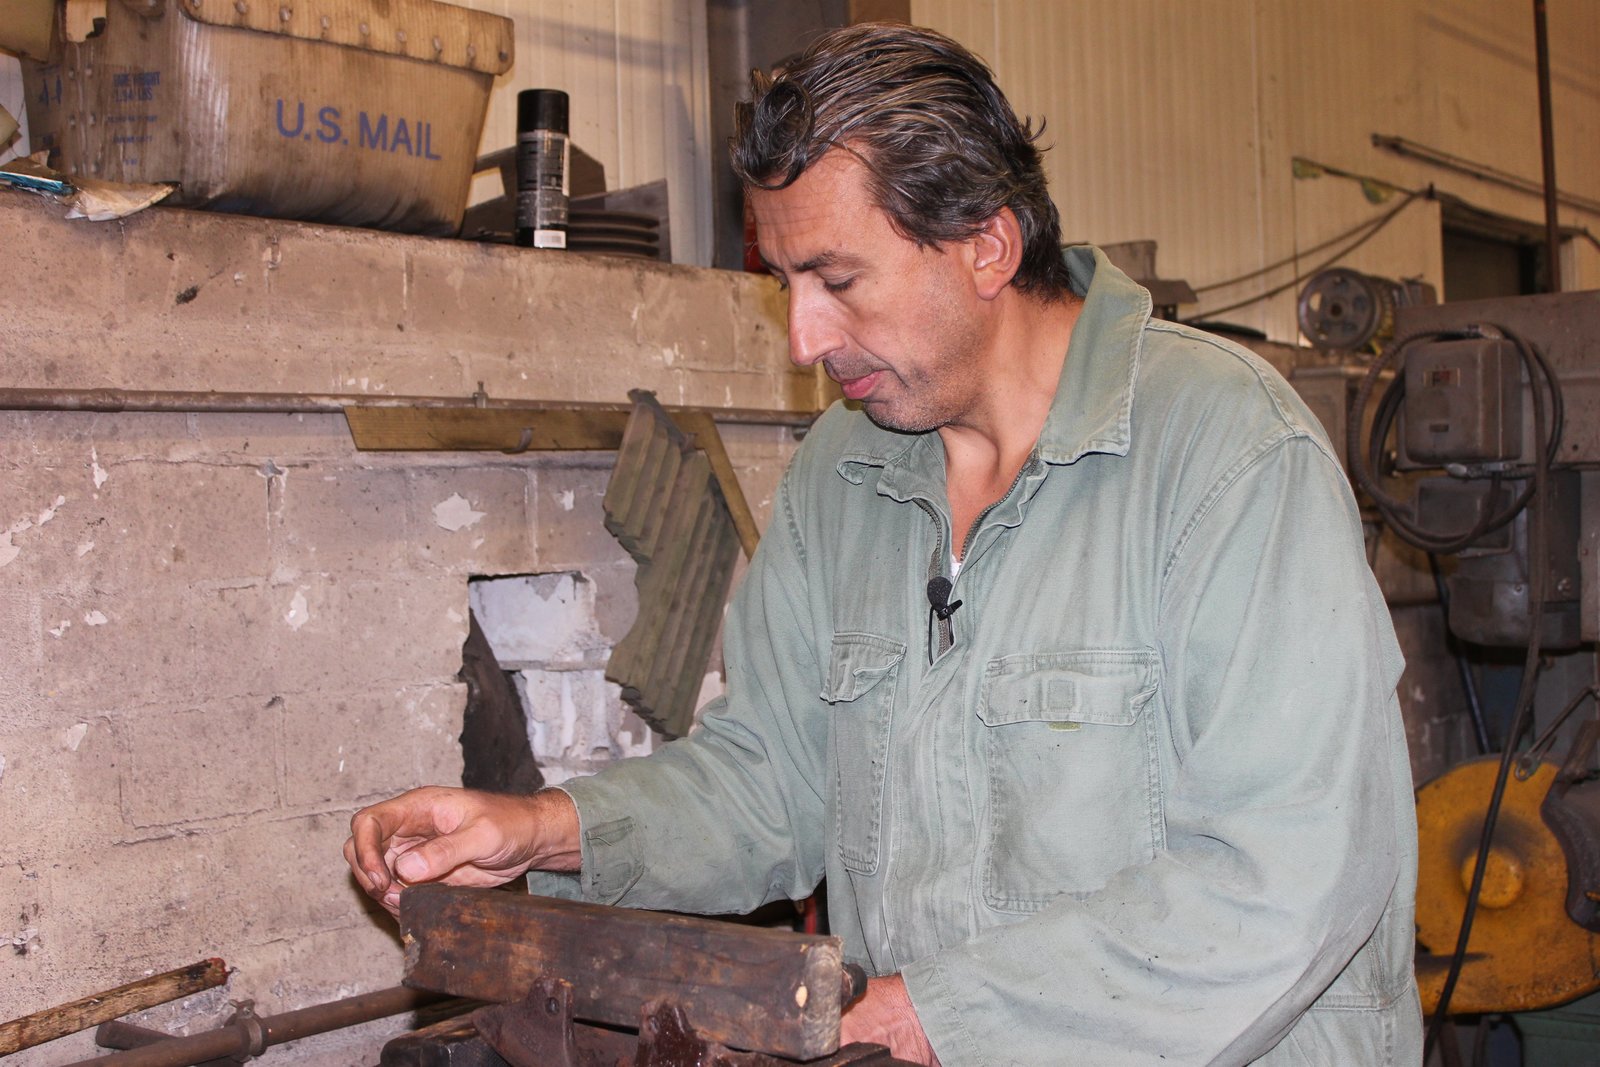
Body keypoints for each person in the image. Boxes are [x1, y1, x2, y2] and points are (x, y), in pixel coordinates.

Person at [347, 22, 1421, 1065]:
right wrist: (541, 830)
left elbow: (1284, 877)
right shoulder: (842, 474)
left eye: (838, 280)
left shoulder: (1227, 455)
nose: (803, 338)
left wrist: (926, 1018)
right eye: (785, 284)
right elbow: (770, 779)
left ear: (986, 245)